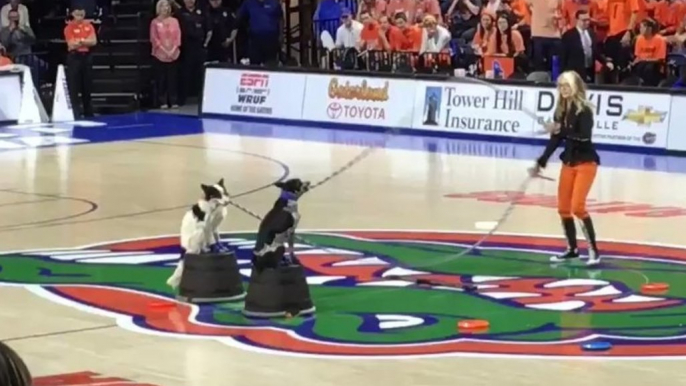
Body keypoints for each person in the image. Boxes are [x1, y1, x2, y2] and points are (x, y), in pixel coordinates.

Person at [531, 70, 601, 266]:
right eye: (561, 86)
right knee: (563, 208)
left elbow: (583, 136)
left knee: (577, 207)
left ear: (575, 87)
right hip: (568, 162)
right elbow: (556, 139)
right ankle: (572, 249)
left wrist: (561, 129)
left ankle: (594, 251)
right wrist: (542, 160)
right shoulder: (560, 109)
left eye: (567, 86)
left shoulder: (584, 110)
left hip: (586, 162)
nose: (563, 90)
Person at [559, 9, 613, 82]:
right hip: (574, 72)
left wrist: (605, 62)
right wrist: (563, 74)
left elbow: (595, 51)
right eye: (584, 20)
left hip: (589, 71)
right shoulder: (569, 35)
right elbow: (563, 56)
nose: (587, 23)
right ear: (577, 20)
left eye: (588, 20)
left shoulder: (591, 33)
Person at [64, 3, 97, 118]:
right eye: (77, 11)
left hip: (86, 57)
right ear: (72, 13)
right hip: (74, 58)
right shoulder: (69, 27)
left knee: (87, 85)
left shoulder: (89, 26)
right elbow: (71, 44)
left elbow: (93, 41)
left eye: (82, 11)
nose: (79, 13)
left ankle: (88, 111)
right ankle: (75, 112)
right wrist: (85, 40)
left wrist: (80, 41)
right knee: (74, 86)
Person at [150, 0, 181, 109]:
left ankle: (174, 100)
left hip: (173, 54)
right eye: (163, 6)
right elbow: (154, 39)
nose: (166, 8)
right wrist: (164, 50)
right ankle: (162, 101)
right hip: (160, 54)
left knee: (173, 79)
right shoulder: (154, 22)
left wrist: (173, 50)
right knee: (162, 79)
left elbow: (178, 37)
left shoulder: (174, 21)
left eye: (167, 6)